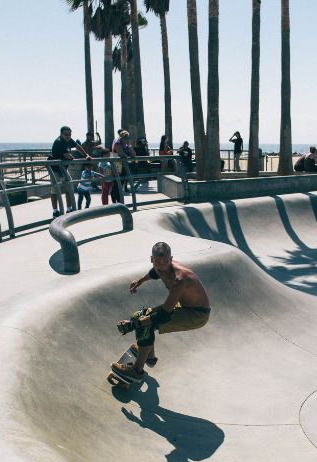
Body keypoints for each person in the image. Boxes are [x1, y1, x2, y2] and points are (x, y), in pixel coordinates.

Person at [112, 242, 211, 380]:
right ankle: (149, 357)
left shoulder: (180, 280)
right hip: (184, 307)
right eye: (157, 262)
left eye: (165, 262)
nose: (162, 267)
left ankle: (136, 371)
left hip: (197, 315)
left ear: (171, 259)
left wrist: (132, 325)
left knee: (145, 323)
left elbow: (163, 316)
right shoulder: (161, 267)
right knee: (139, 316)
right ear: (151, 259)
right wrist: (140, 281)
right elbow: (155, 272)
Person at [49, 125, 91, 217]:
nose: (68, 136)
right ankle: (55, 211)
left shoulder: (68, 140)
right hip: (55, 169)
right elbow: (67, 156)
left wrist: (86, 155)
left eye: (69, 134)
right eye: (66, 134)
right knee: (55, 190)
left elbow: (77, 146)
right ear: (61, 134)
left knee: (69, 188)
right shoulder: (59, 141)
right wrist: (74, 159)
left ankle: (69, 209)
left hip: (63, 169)